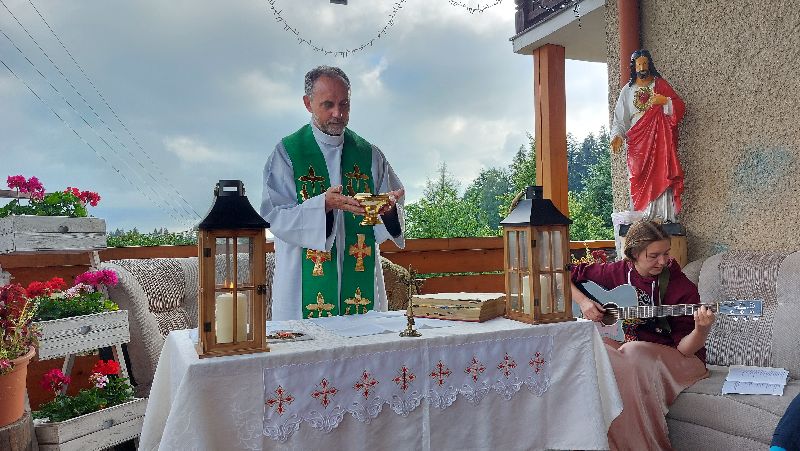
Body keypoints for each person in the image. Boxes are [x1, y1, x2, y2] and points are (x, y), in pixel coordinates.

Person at [260, 65, 405, 321]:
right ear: (308, 103)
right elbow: (274, 217)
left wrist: (389, 211)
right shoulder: (287, 154)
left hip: (360, 284)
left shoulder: (369, 155)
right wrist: (322, 207)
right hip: (302, 289)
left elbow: (389, 212)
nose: (338, 113)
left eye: (344, 104)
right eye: (328, 104)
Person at [571, 220, 715, 450]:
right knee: (597, 349)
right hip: (633, 354)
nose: (663, 261)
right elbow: (560, 274)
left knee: (633, 350)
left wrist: (702, 329)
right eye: (653, 256)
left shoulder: (681, 287)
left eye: (666, 253)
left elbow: (684, 349)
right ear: (634, 254)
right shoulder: (618, 272)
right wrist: (583, 302)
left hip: (681, 359)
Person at [611, 49, 685, 223]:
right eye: (639, 65)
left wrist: (665, 101)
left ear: (649, 64)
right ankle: (641, 215)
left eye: (645, 63)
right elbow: (620, 119)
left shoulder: (660, 85)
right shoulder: (627, 91)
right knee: (637, 177)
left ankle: (663, 216)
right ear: (633, 67)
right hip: (637, 141)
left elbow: (680, 107)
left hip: (659, 139)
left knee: (662, 171)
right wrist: (617, 135)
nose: (642, 68)